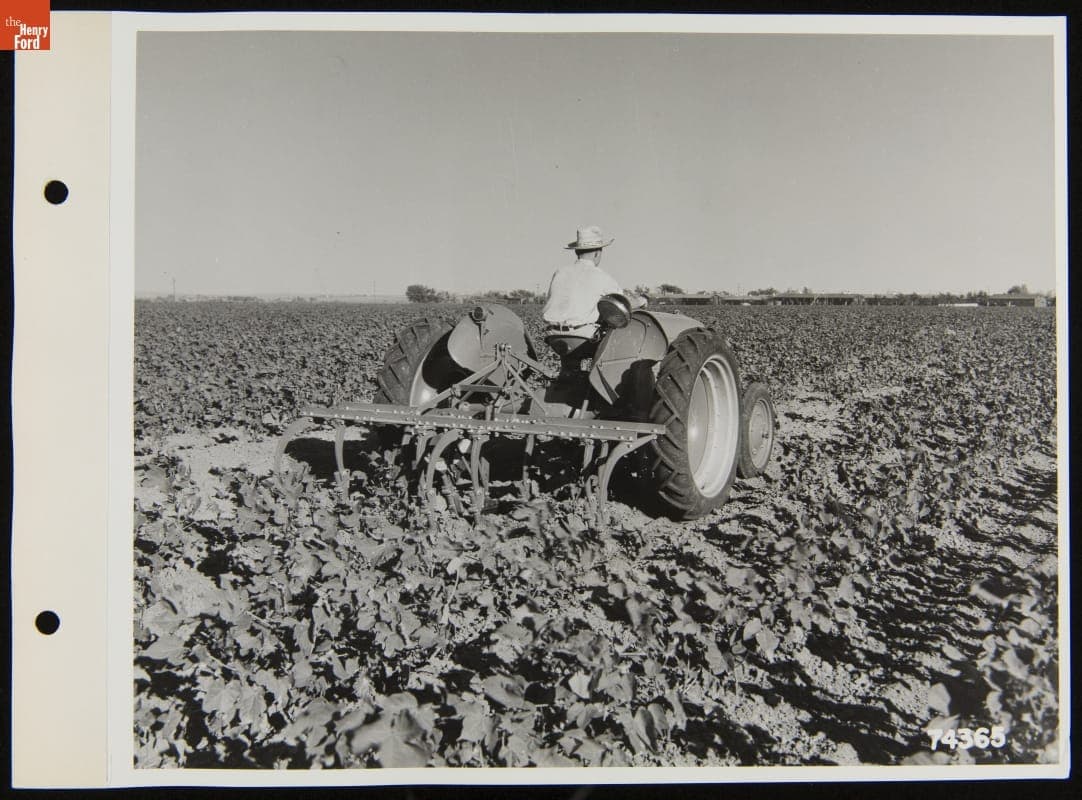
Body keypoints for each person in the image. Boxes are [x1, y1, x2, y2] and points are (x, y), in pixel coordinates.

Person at [542, 226, 644, 362]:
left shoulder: (560, 272)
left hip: (553, 336)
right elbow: (623, 303)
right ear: (597, 253)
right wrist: (642, 300)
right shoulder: (600, 276)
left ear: (577, 252)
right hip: (583, 338)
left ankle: (568, 375)